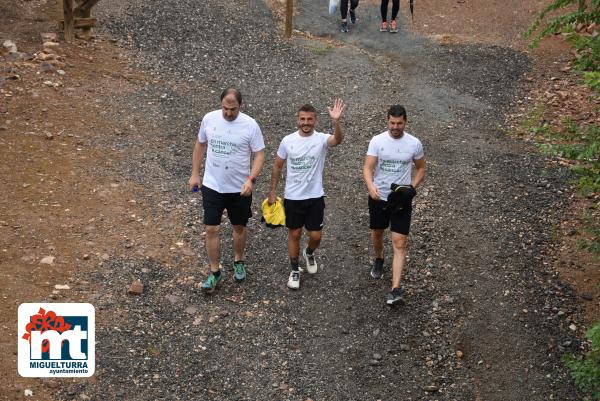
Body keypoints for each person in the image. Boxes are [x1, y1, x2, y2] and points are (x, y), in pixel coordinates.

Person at [188, 87, 265, 293]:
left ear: (241, 105)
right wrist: (195, 174)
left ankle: (238, 260)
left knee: (238, 226)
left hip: (239, 188)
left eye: (233, 109)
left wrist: (251, 179)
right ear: (220, 103)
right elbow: (200, 145)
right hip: (213, 185)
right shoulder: (210, 119)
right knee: (211, 228)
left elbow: (259, 155)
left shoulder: (250, 125)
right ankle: (215, 272)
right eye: (225, 108)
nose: (228, 113)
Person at [268, 100, 345, 289]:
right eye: (302, 119)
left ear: (315, 120)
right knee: (294, 233)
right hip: (293, 197)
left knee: (316, 236)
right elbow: (277, 166)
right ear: (298, 120)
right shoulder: (288, 140)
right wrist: (272, 191)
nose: (306, 122)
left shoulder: (321, 139)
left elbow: (338, 140)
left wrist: (336, 122)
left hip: (315, 196)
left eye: (309, 119)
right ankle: (294, 270)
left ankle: (309, 253)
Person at [363, 105, 425, 305]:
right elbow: (368, 167)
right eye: (392, 123)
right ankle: (379, 258)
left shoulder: (414, 143)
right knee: (378, 232)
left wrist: (411, 188)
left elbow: (421, 168)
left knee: (399, 242)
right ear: (387, 121)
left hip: (401, 200)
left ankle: (395, 289)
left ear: (405, 122)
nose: (395, 127)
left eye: (399, 123)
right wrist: (371, 185)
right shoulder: (377, 141)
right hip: (379, 197)